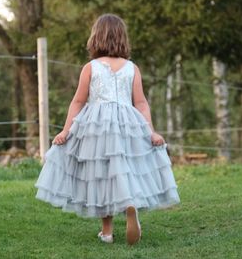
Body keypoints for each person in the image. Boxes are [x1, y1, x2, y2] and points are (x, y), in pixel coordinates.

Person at [35, 13, 180, 245]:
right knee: (128, 168)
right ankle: (130, 204)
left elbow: (78, 101)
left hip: (97, 126)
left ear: (96, 38)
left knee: (102, 175)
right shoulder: (132, 68)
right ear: (122, 38)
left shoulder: (90, 67)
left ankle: (108, 232)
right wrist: (151, 131)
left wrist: (65, 131)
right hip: (128, 124)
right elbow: (141, 102)